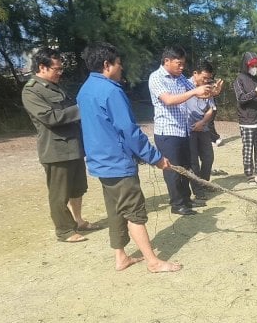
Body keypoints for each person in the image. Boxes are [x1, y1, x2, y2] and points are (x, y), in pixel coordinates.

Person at [77, 42, 182, 272]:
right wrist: (156, 158)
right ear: (107, 65)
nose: (121, 69)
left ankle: (121, 257)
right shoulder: (111, 91)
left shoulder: (84, 90)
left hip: (100, 163)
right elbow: (129, 131)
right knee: (134, 212)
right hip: (117, 163)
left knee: (116, 210)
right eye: (119, 64)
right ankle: (153, 261)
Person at [21, 47, 98, 243]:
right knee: (59, 193)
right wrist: (81, 109)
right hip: (56, 150)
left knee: (77, 188)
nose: (60, 72)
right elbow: (50, 117)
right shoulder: (32, 91)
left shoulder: (54, 86)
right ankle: (64, 231)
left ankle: (78, 220)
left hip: (73, 146)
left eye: (61, 68)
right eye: (57, 68)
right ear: (42, 67)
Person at [148, 46, 213, 215]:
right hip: (167, 133)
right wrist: (194, 91)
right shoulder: (156, 78)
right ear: (167, 61)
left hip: (183, 131)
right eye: (179, 63)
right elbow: (169, 100)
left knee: (185, 168)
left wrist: (210, 92)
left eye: (184, 64)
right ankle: (177, 205)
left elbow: (197, 94)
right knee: (173, 170)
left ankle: (186, 200)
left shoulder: (180, 78)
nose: (182, 67)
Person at [187, 61, 224, 200]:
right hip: (188, 129)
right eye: (204, 77)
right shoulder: (183, 85)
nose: (206, 81)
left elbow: (210, 108)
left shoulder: (208, 87)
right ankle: (197, 190)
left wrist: (202, 122)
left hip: (203, 127)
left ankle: (205, 182)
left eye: (209, 78)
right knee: (193, 162)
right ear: (195, 73)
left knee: (208, 157)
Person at [233, 52, 257, 185]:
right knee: (248, 149)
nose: (255, 67)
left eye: (256, 65)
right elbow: (241, 99)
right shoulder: (239, 80)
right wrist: (255, 92)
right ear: (246, 65)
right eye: (252, 65)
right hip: (247, 121)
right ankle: (249, 176)